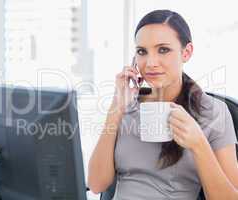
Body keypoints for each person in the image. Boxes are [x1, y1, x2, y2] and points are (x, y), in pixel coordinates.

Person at [88, 9, 238, 200]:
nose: (150, 63)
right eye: (142, 51)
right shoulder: (126, 107)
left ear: (186, 52)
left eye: (163, 50)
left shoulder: (214, 112)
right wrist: (115, 110)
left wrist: (199, 144)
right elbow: (96, 184)